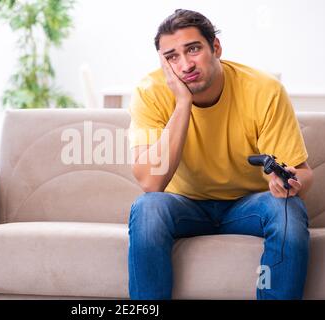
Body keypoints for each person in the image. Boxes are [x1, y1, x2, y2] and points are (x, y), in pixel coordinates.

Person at [127, 9, 314, 300]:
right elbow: (151, 184)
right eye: (172, 57)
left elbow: (302, 172)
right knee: (148, 207)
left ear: (215, 47)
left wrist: (289, 181)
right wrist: (182, 103)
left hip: (248, 206)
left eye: (193, 49)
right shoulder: (150, 92)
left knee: (287, 209)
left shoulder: (264, 90)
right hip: (184, 206)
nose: (185, 64)